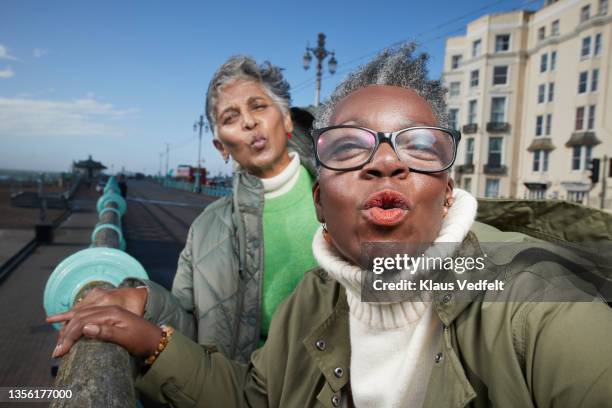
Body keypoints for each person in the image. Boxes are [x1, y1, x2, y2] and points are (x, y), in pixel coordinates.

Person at [48, 45, 612, 407]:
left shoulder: (540, 311)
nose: (385, 161)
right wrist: (152, 330)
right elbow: (251, 390)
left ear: (449, 187)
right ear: (324, 199)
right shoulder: (313, 299)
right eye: (348, 148)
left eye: (418, 146)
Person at [52, 56, 321, 362]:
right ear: (221, 147)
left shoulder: (347, 191)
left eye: (258, 106)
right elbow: (190, 330)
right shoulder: (205, 230)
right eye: (230, 118)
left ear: (286, 119)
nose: (248, 122)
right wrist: (143, 300)